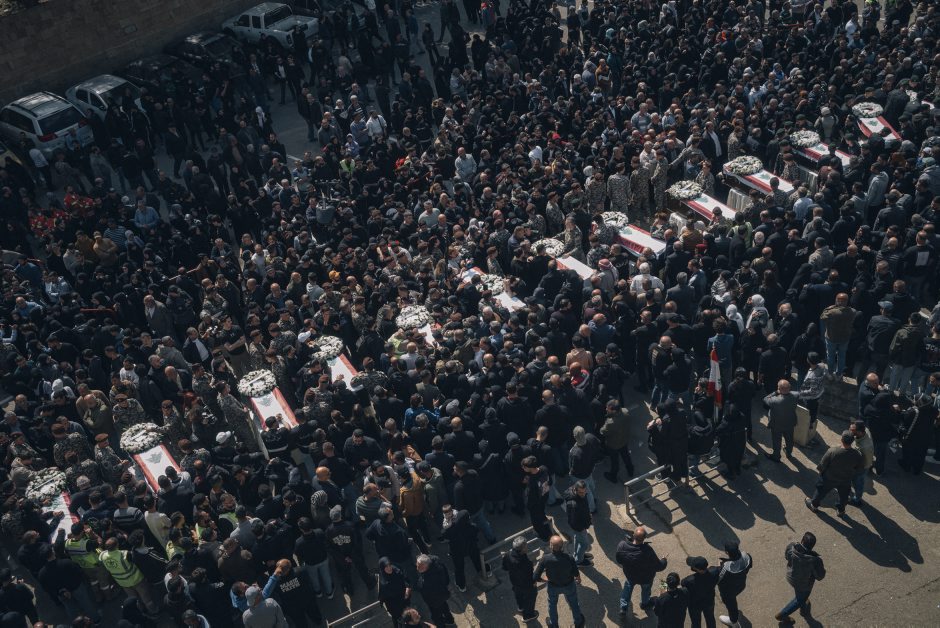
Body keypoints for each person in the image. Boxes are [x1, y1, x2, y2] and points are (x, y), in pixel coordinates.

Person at [805, 430, 864, 516]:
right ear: (852, 441)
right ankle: (841, 510)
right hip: (845, 480)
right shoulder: (857, 454)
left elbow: (822, 465)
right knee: (844, 496)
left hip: (829, 478)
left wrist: (821, 474)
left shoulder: (832, 451)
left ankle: (814, 506)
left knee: (820, 492)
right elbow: (859, 468)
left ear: (842, 439)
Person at [534, 535, 585, 628]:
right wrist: (578, 578)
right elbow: (575, 572)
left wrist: (544, 579)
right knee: (574, 603)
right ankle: (578, 622)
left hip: (553, 586)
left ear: (551, 546)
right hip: (569, 585)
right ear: (562, 546)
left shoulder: (545, 558)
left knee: (552, 605)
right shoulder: (569, 557)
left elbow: (535, 577)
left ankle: (554, 625)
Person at [615, 526, 668, 616]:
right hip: (646, 578)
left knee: (627, 588)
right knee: (646, 590)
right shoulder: (648, 551)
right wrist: (664, 560)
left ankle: (623, 607)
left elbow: (619, 560)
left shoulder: (622, 545)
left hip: (630, 575)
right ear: (644, 538)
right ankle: (645, 604)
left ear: (633, 535)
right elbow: (659, 566)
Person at [775, 532, 826, 624]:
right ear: (813, 546)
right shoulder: (815, 560)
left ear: (802, 540)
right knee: (800, 599)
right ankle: (783, 615)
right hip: (805, 584)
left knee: (800, 594)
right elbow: (820, 576)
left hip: (791, 576)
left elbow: (787, 557)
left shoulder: (791, 547)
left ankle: (803, 609)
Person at [502, 535, 538, 622]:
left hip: (515, 582)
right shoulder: (527, 563)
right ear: (522, 549)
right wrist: (534, 583)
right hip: (526, 586)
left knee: (518, 595)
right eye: (526, 546)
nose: (527, 547)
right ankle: (528, 616)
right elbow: (530, 577)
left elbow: (505, 568)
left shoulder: (507, 555)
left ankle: (521, 607)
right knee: (529, 600)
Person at [717, 541, 752, 628]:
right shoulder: (747, 556)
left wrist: (719, 566)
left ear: (727, 552)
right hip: (741, 585)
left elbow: (718, 579)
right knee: (733, 599)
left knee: (731, 605)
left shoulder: (725, 567)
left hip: (728, 592)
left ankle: (733, 621)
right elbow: (749, 566)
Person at [414, 554, 455, 627]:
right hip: (443, 593)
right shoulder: (436, 562)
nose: (417, 568)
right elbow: (446, 575)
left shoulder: (427, 581)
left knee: (436, 616)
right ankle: (450, 619)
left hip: (434, 600)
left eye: (419, 567)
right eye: (417, 564)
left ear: (426, 568)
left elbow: (421, 588)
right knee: (444, 606)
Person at [763, 379, 798, 462]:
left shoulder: (774, 400)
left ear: (779, 388)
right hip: (790, 422)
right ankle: (788, 453)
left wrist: (775, 392)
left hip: (776, 424)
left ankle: (776, 456)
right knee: (789, 439)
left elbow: (765, 399)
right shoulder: (796, 395)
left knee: (777, 440)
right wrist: (786, 390)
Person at [682, 556, 720, 628]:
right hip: (709, 601)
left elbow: (683, 583)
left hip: (695, 605)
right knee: (710, 619)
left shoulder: (689, 580)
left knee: (696, 622)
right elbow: (718, 569)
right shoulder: (714, 571)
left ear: (698, 569)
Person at [563, 479, 593, 566]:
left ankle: (577, 555)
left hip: (580, 526)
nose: (583, 494)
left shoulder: (579, 495)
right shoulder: (573, 504)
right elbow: (573, 521)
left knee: (578, 539)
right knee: (584, 544)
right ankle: (579, 561)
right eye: (580, 492)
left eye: (584, 491)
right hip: (579, 527)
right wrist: (582, 527)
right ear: (575, 490)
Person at [377, 557, 411, 626]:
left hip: (405, 599)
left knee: (408, 617)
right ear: (383, 569)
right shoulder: (383, 582)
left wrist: (407, 587)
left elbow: (405, 579)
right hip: (395, 606)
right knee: (397, 621)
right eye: (386, 567)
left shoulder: (397, 570)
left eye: (389, 565)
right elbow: (384, 597)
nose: (389, 568)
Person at [849, 420, 875, 506]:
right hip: (857, 465)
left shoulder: (865, 447)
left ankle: (857, 500)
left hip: (861, 469)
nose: (850, 431)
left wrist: (855, 468)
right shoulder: (864, 431)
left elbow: (866, 462)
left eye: (852, 431)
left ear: (859, 432)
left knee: (858, 483)